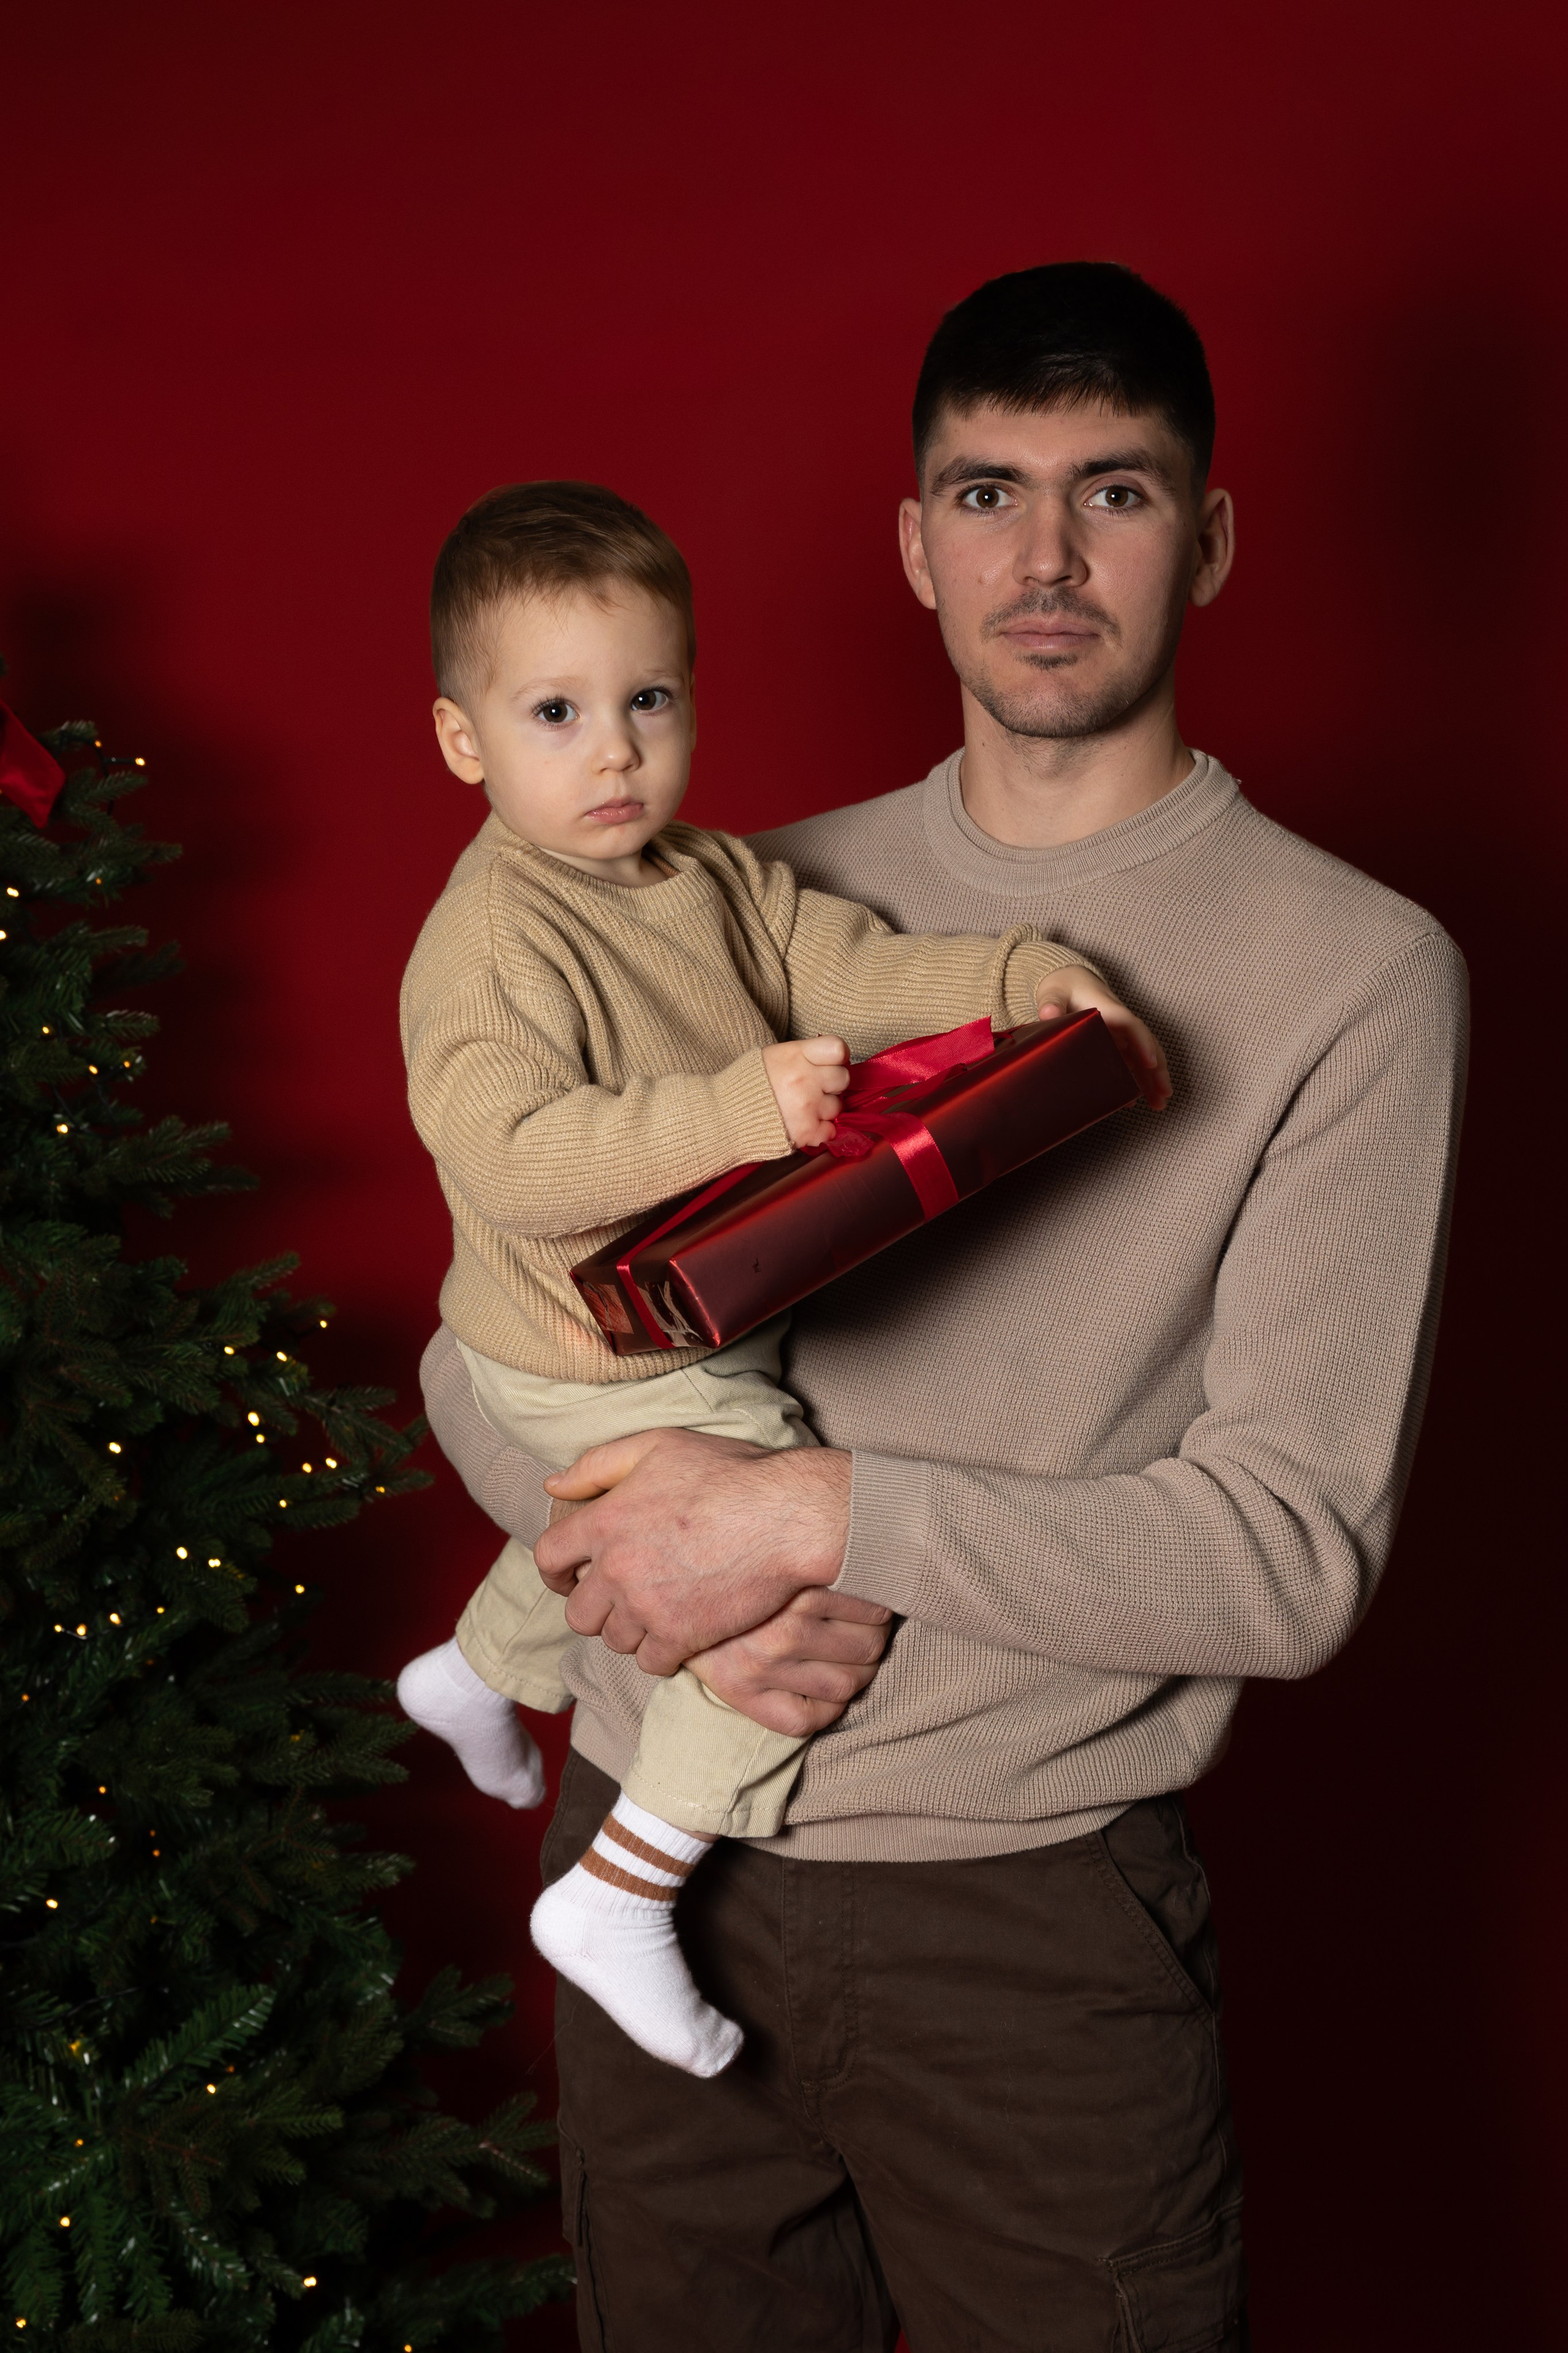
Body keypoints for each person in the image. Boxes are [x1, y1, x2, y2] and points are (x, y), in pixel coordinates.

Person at [420, 265, 1468, 2351]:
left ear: (1216, 536)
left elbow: (1287, 1556)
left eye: (1119, 493)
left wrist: (811, 1524)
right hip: (647, 1865)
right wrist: (650, 1542)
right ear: (914, 544)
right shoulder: (722, 892)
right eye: (988, 493)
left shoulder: (1356, 971)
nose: (1049, 558)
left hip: (1024, 1927)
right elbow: (483, 1342)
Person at [394, 478, 1164, 2078]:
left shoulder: (713, 878)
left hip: (667, 1316)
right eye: (555, 711)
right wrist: (738, 1111)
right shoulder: (486, 944)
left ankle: (474, 1669)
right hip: (581, 1340)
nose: (614, 750)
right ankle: (626, 1884)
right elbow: (518, 1158)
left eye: (648, 699)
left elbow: (857, 967)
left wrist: (1025, 978)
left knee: (655, 1513)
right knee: (782, 1547)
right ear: (466, 740)